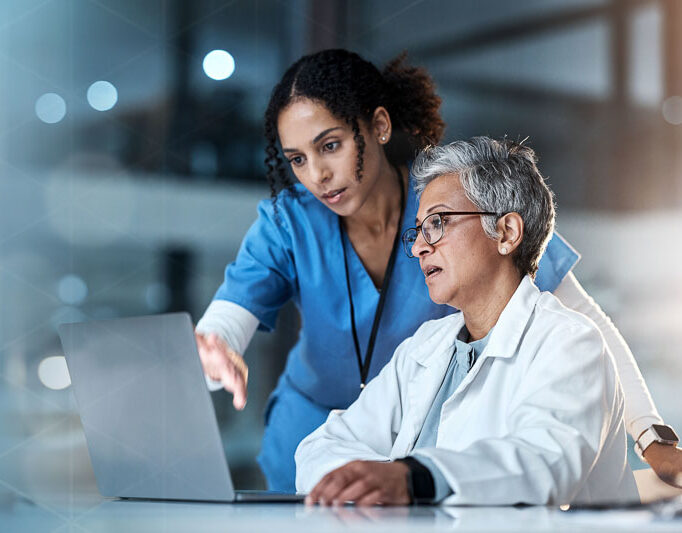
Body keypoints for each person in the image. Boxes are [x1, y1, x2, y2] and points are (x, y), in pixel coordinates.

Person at [194, 49, 680, 493]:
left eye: (331, 146)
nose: (317, 175)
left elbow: (587, 327)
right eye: (297, 159)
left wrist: (649, 434)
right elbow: (230, 314)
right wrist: (214, 344)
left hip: (426, 454)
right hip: (317, 428)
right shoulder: (290, 222)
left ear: (378, 126)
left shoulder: (454, 198)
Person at [296, 137, 638, 505]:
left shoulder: (568, 342)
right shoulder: (425, 347)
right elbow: (321, 447)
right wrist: (378, 481)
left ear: (506, 233)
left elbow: (544, 464)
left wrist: (413, 479)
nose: (418, 248)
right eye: (419, 230)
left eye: (438, 222)